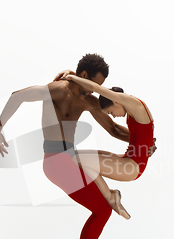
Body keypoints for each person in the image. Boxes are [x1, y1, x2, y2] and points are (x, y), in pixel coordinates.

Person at [0, 54, 156, 239]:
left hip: (68, 160)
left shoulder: (88, 100)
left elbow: (114, 130)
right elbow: (18, 96)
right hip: (56, 161)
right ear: (84, 76)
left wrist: (145, 143)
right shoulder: (58, 89)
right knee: (102, 210)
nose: (96, 91)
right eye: (96, 84)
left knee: (102, 209)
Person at [60, 74, 155, 221]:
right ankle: (110, 195)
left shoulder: (134, 104)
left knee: (76, 160)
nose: (114, 116)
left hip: (131, 167)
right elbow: (144, 136)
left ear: (116, 101)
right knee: (73, 156)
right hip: (128, 160)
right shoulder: (133, 110)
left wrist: (72, 76)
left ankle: (110, 195)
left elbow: (95, 88)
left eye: (111, 112)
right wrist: (151, 145)